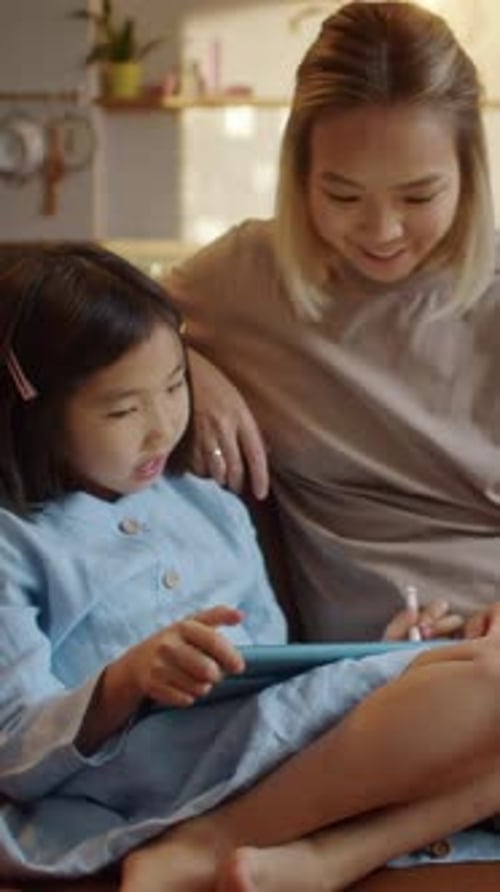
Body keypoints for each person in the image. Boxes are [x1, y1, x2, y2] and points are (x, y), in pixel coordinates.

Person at [1, 244, 500, 892]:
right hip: (158, 776)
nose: (162, 427)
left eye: (176, 387)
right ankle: (221, 844)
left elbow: (271, 669)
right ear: (30, 410)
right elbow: (14, 748)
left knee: (478, 672)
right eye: (124, 410)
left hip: (270, 750)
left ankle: (320, 860)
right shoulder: (17, 542)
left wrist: (378, 659)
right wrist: (123, 681)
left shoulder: (210, 505)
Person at [165, 0, 500, 647]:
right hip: (363, 666)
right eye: (342, 195)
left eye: (418, 195)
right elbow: (83, 327)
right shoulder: (244, 279)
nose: (381, 232)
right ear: (299, 174)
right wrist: (183, 366)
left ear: (470, 173)